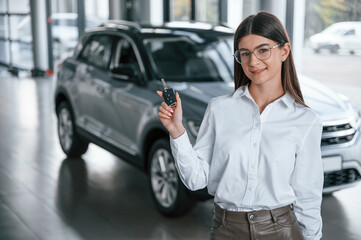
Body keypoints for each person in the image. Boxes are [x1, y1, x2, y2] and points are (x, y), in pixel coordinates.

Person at [157, 11, 323, 240]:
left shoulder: (305, 120)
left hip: (282, 230)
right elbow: (196, 180)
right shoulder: (219, 109)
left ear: (284, 51)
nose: (253, 62)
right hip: (226, 229)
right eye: (245, 53)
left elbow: (308, 197)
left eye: (263, 50)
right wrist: (177, 131)